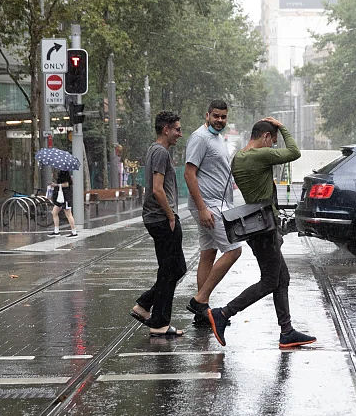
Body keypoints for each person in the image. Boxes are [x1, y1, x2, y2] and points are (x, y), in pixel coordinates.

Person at [206, 117, 316, 348]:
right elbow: (294, 152)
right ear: (265, 136)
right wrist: (283, 127)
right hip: (264, 227)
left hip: (258, 225)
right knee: (269, 281)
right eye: (272, 141)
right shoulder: (258, 155)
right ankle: (223, 313)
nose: (272, 146)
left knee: (281, 278)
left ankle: (286, 331)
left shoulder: (239, 157)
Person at [183, 100, 242, 327]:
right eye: (216, 116)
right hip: (209, 205)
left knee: (208, 253)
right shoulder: (200, 138)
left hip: (216, 203)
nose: (219, 120)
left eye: (223, 117)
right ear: (207, 115)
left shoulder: (216, 138)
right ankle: (200, 299)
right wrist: (202, 208)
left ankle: (202, 311)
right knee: (234, 250)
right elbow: (189, 174)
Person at [130, 111, 187, 338]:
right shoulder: (161, 152)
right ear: (166, 129)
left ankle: (144, 306)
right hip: (162, 218)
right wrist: (171, 216)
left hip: (156, 217)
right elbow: (157, 188)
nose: (180, 134)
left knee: (174, 268)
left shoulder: (155, 150)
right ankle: (159, 322)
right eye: (177, 129)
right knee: (170, 270)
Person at [48, 170, 77, 237]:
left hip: (65, 197)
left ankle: (74, 232)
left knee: (68, 214)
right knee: (54, 212)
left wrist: (56, 185)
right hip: (60, 197)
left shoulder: (65, 173)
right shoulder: (61, 173)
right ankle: (56, 231)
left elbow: (66, 184)